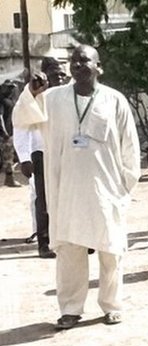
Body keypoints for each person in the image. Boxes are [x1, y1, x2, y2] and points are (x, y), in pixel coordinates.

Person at [12, 45, 141, 329]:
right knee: (70, 249)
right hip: (67, 188)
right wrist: (32, 93)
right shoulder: (53, 98)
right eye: (74, 61)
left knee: (110, 249)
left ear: (99, 66)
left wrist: (125, 184)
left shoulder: (114, 100)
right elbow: (22, 118)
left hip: (105, 188)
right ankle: (70, 308)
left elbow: (130, 145)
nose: (78, 65)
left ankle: (112, 305)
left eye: (85, 60)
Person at [13, 57, 67, 259]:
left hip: (66, 152)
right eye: (55, 74)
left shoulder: (70, 93)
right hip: (41, 152)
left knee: (70, 196)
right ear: (45, 74)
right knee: (43, 200)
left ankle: (73, 239)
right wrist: (25, 157)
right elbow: (20, 125)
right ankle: (44, 243)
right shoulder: (31, 95)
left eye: (63, 74)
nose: (60, 78)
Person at [1, 80, 20, 187]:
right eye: (8, 87)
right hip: (5, 134)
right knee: (8, 158)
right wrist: (4, 132)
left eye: (12, 87)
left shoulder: (10, 99)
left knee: (12, 156)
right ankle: (9, 179)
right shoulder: (2, 100)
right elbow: (0, 117)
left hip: (12, 132)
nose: (10, 89)